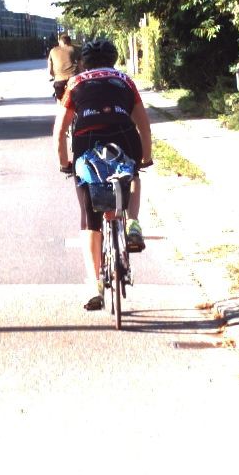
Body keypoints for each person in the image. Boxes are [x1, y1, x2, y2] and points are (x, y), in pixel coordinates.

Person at [54, 37, 154, 311]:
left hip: (87, 141)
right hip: (123, 137)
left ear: (84, 62)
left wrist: (64, 162)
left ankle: (94, 285)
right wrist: (145, 157)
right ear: (114, 60)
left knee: (89, 215)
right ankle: (133, 223)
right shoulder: (125, 81)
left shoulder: (75, 83)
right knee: (132, 172)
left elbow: (60, 131)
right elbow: (143, 125)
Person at [46, 30, 78, 101]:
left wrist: (54, 76)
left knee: (59, 100)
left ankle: (60, 104)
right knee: (78, 99)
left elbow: (50, 70)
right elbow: (81, 65)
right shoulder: (74, 49)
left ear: (60, 42)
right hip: (73, 79)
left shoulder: (52, 51)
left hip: (59, 81)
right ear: (70, 42)